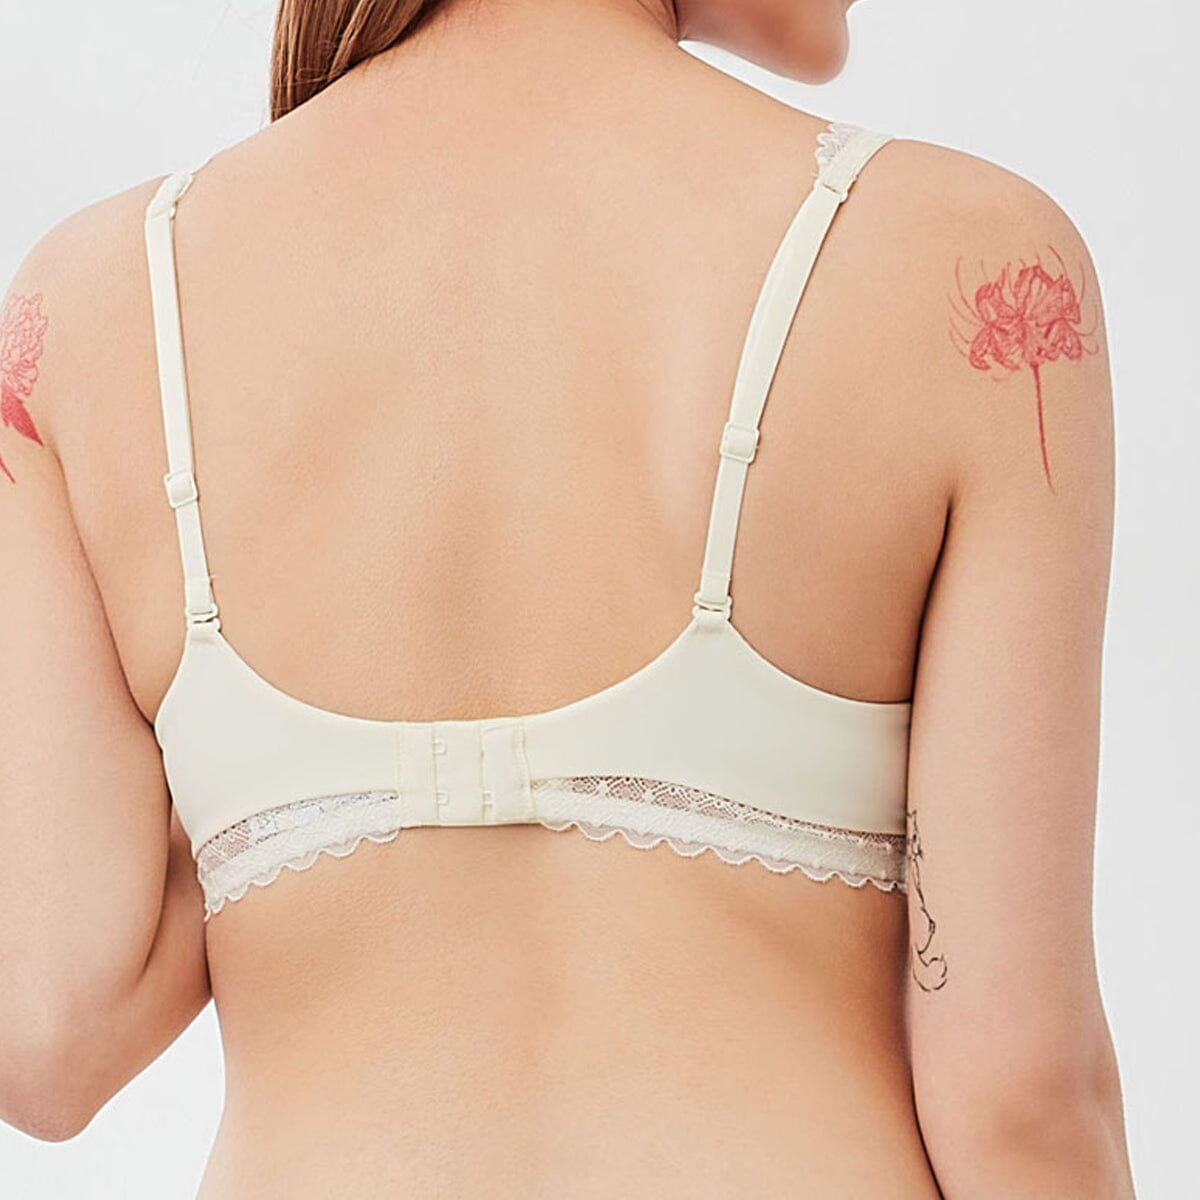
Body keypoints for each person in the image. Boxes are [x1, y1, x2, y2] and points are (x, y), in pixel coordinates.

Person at [0, 1, 1136, 1196]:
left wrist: (282, 778)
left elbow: (48, 1032)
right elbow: (1018, 1097)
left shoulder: (92, 311)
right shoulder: (962, 262)